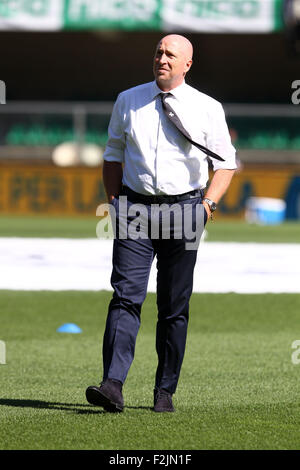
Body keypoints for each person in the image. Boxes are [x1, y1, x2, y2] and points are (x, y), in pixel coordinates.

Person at [86, 34, 237, 413]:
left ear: (187, 64)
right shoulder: (128, 100)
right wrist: (114, 202)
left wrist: (206, 207)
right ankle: (113, 385)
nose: (162, 59)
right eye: (158, 52)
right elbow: (112, 155)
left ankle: (164, 392)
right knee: (124, 297)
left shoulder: (207, 107)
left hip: (185, 211)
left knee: (173, 306)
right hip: (134, 210)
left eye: (171, 54)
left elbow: (226, 164)